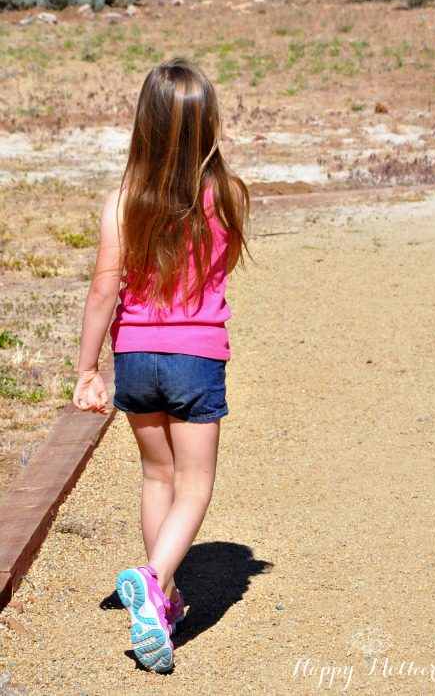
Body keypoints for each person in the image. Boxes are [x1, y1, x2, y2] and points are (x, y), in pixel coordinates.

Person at [72, 58, 250, 673]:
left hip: (137, 358)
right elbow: (218, 273)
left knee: (157, 477)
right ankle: (154, 580)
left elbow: (103, 290)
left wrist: (86, 368)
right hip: (196, 358)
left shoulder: (123, 200)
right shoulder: (224, 194)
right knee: (195, 483)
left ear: (144, 125)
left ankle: (163, 602)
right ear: (209, 127)